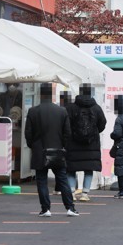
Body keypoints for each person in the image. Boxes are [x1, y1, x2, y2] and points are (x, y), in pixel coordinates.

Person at [24, 83, 79, 217]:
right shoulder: (61, 111)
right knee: (62, 179)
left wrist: (34, 146)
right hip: (57, 150)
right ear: (52, 94)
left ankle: (45, 209)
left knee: (41, 180)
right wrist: (62, 146)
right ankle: (70, 208)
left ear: (40, 94)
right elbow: (67, 133)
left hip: (39, 150)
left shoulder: (33, 111)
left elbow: (28, 134)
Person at [65, 84, 106, 202]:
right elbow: (102, 124)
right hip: (91, 144)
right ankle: (85, 194)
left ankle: (72, 192)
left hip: (73, 144)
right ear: (90, 93)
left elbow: (66, 125)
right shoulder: (96, 108)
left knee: (71, 169)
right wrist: (94, 133)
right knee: (89, 169)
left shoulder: (71, 108)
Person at [53, 91, 73, 196]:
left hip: (59, 141)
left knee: (58, 166)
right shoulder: (72, 109)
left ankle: (58, 188)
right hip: (70, 141)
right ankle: (70, 187)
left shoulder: (58, 110)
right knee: (68, 167)